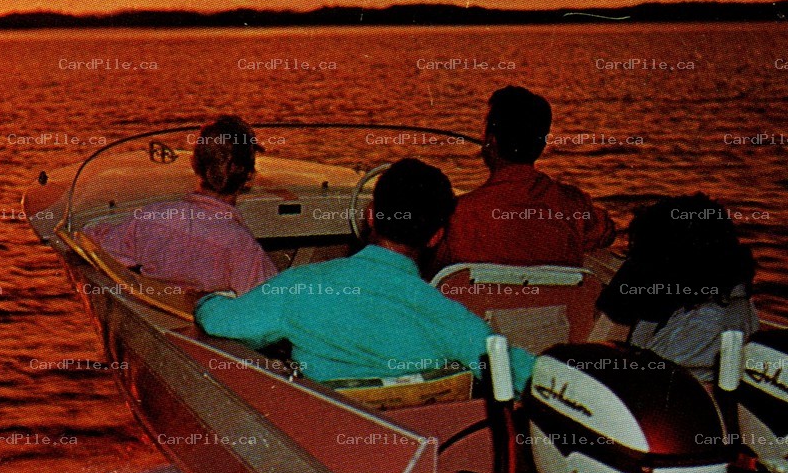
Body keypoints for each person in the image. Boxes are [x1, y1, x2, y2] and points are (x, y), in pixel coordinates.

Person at [196, 157, 535, 386]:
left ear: (370, 216)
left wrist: (206, 299)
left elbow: (220, 321)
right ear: (435, 236)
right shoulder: (447, 317)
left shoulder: (302, 288)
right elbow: (522, 375)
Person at [88, 116, 276, 295]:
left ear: (194, 164)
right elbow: (268, 305)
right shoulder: (243, 247)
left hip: (159, 311)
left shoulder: (150, 219)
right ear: (249, 175)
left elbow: (92, 242)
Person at [435, 85, 615, 270]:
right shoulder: (574, 205)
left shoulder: (457, 214)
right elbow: (607, 232)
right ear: (542, 144)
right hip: (555, 299)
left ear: (492, 140)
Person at [595, 192, 758, 384]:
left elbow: (644, 385)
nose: (641, 264)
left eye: (647, 254)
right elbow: (615, 305)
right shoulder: (684, 299)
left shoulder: (705, 325)